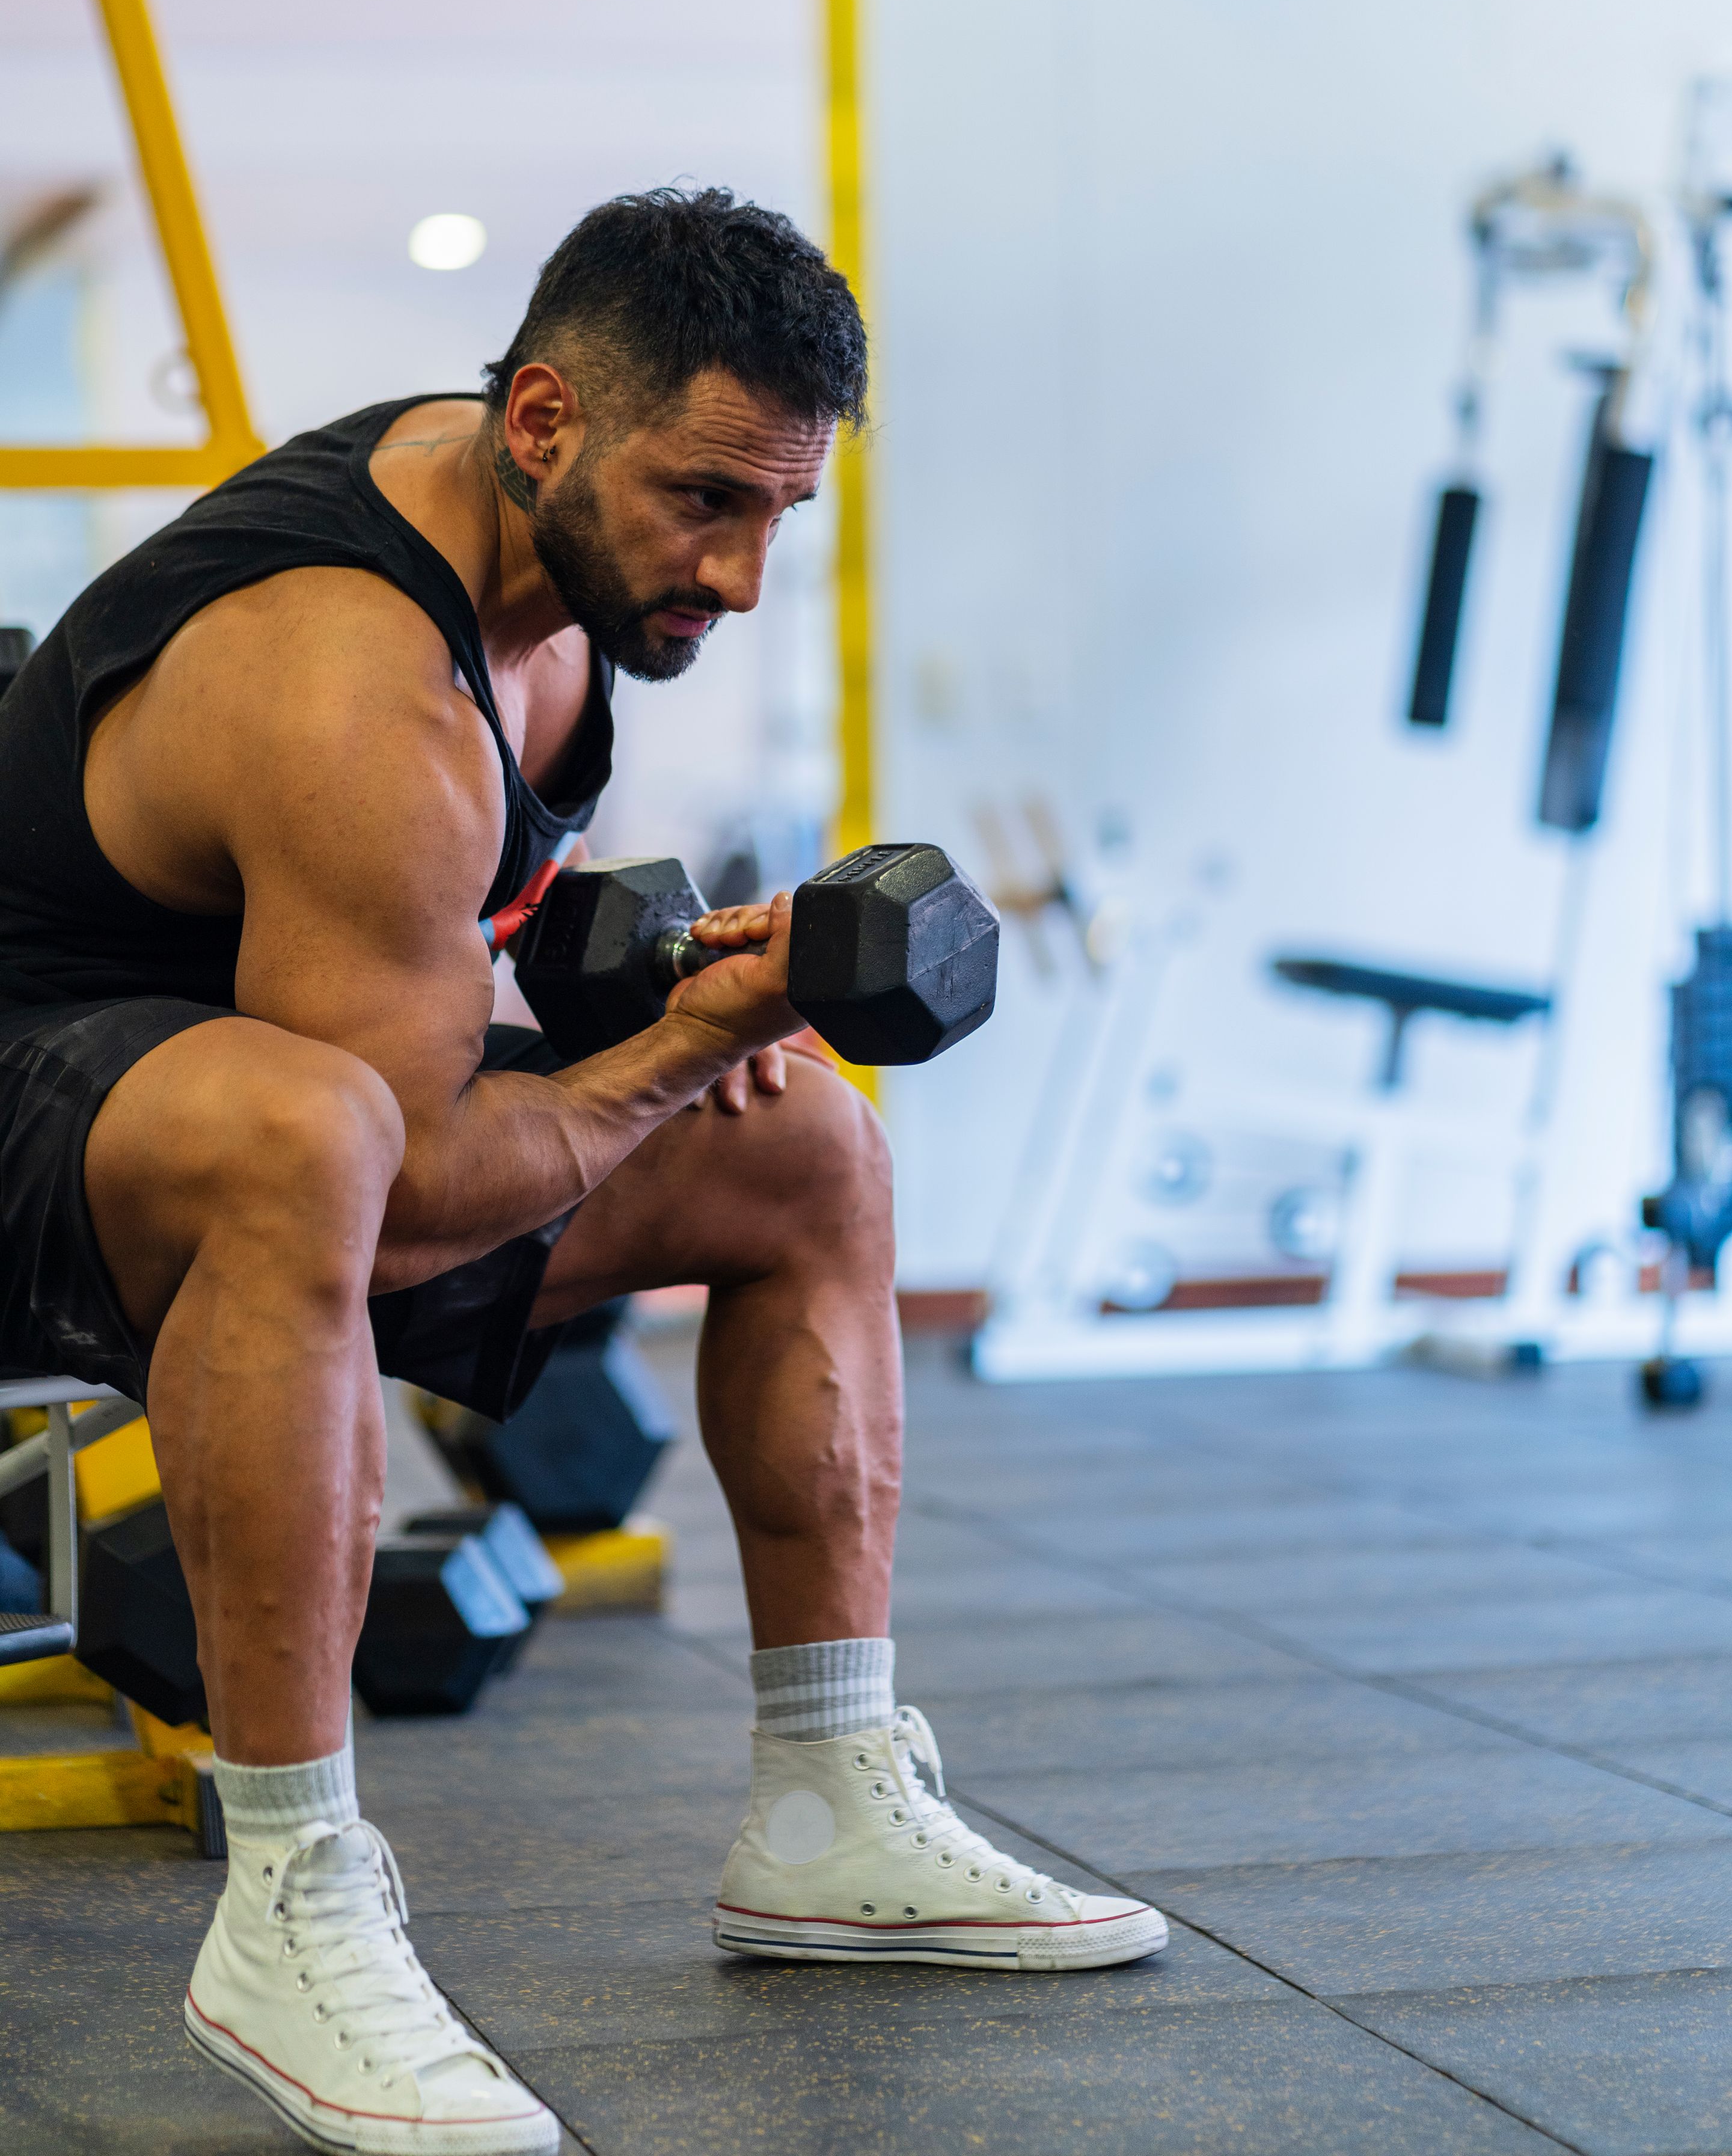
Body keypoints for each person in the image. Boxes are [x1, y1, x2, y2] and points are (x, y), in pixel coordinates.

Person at [0, 188, 1165, 2155]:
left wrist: (666, 984)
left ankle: (826, 1799)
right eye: (707, 499)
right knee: (319, 1129)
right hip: (56, 1112)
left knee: (804, 1145)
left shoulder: (546, 597)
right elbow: (410, 1200)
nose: (740, 568)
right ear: (543, 420)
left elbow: (473, 942)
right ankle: (288, 1893)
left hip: (295, 1086)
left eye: (779, 511)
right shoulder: (356, 688)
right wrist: (688, 1039)